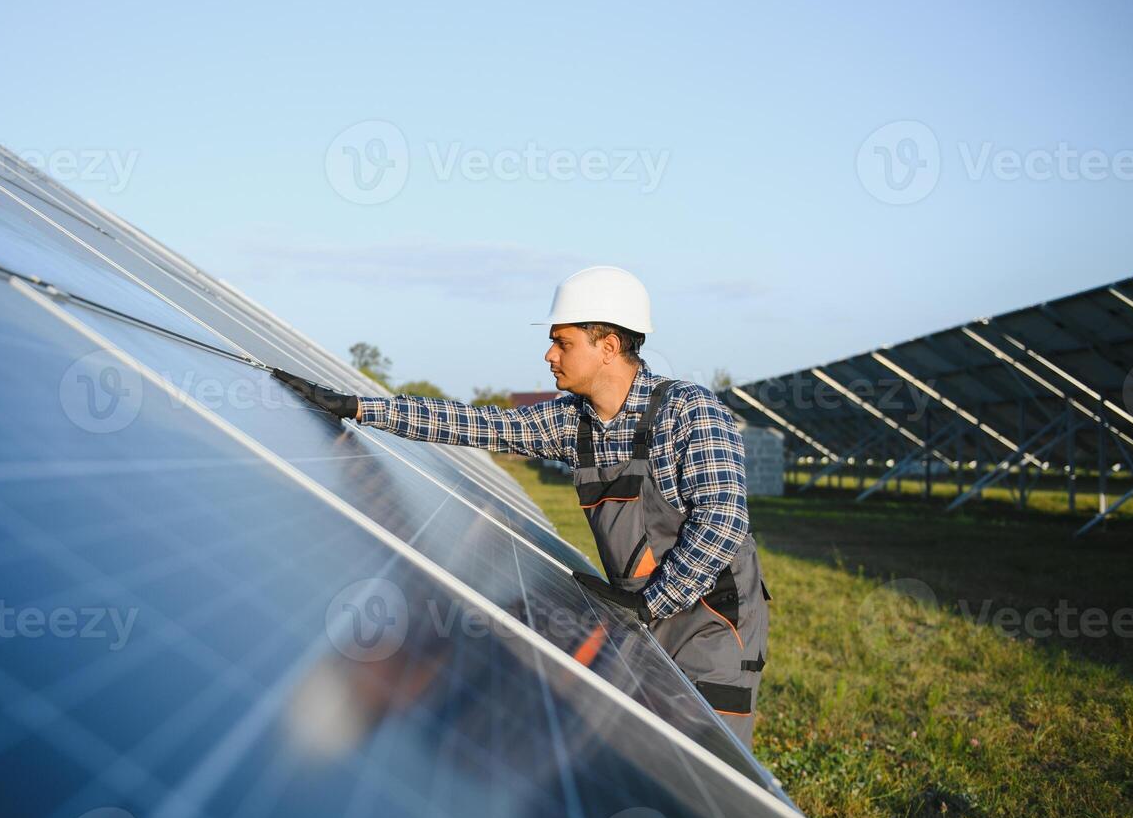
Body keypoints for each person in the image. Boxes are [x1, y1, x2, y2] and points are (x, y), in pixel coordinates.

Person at [271, 266, 770, 748]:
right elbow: (473, 424)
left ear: (609, 347)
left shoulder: (689, 412)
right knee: (646, 754)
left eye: (564, 342)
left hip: (713, 623)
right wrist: (359, 408)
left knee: (706, 756)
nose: (549, 355)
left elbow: (722, 520)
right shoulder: (573, 423)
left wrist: (650, 603)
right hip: (642, 616)